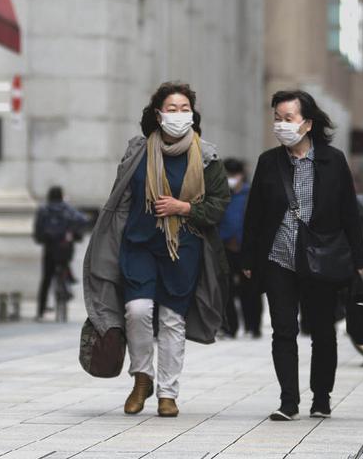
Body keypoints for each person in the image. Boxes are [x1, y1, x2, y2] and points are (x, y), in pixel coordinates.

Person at [83, 82, 230, 418]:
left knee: (172, 320)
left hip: (183, 249)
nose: (178, 115)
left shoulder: (206, 156)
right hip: (138, 245)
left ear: (192, 114)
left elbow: (220, 204)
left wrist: (184, 208)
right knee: (137, 312)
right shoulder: (137, 151)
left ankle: (168, 392)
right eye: (171, 109)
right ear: (158, 114)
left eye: (184, 109)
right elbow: (119, 200)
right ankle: (142, 377)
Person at [240, 90, 363, 421]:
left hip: (320, 258)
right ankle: (289, 401)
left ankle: (321, 397)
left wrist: (357, 261)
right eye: (277, 118)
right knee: (283, 329)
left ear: (307, 124)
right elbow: (254, 214)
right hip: (279, 257)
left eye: (289, 118)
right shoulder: (269, 161)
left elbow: (350, 212)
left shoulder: (333, 160)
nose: (281, 125)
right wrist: (249, 259)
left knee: (323, 330)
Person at [218, 158, 262, 338]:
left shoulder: (251, 194)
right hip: (225, 247)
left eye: (233, 175)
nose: (231, 178)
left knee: (250, 289)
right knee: (226, 290)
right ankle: (230, 327)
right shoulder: (221, 195)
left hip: (247, 248)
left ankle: (253, 327)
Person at [33, 186, 88, 321]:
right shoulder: (67, 208)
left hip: (50, 248)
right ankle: (68, 280)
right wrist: (74, 235)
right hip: (65, 247)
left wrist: (41, 238)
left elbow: (38, 229)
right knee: (64, 262)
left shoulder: (44, 210)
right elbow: (82, 219)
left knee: (46, 278)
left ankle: (40, 311)